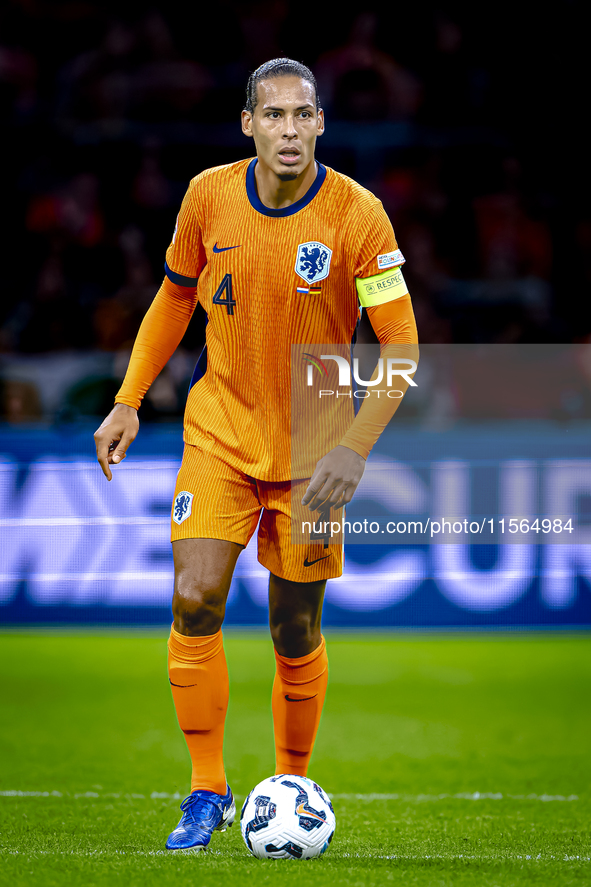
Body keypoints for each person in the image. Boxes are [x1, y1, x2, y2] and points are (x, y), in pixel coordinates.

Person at [94, 57, 418, 852]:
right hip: (219, 434)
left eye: (301, 115)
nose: (287, 129)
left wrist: (352, 447)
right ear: (247, 125)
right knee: (195, 597)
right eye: (271, 115)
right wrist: (128, 399)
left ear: (319, 124)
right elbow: (174, 296)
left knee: (293, 630)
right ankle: (206, 788)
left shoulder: (357, 214)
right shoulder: (207, 195)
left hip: (312, 452)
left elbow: (401, 345)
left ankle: (291, 782)